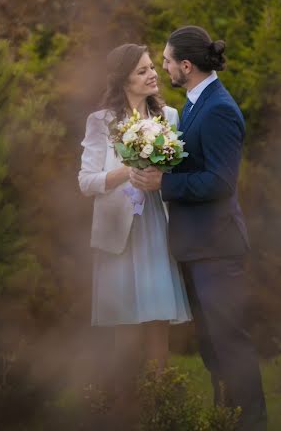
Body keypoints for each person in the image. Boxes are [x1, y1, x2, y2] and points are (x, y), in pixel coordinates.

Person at [130, 26, 267, 430]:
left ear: (186, 66)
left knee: (230, 345)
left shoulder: (220, 109)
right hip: (196, 248)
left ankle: (252, 424)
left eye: (168, 61)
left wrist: (164, 184)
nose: (165, 68)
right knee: (212, 349)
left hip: (217, 250)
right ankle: (226, 420)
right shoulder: (193, 104)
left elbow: (221, 183)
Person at [78, 43, 191, 391]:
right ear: (123, 80)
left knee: (158, 318)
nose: (153, 74)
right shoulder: (101, 122)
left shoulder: (169, 116)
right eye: (142, 71)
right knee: (124, 322)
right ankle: (123, 403)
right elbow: (86, 182)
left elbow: (177, 167)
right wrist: (125, 172)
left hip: (155, 223)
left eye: (152, 68)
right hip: (119, 233)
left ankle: (161, 401)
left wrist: (159, 173)